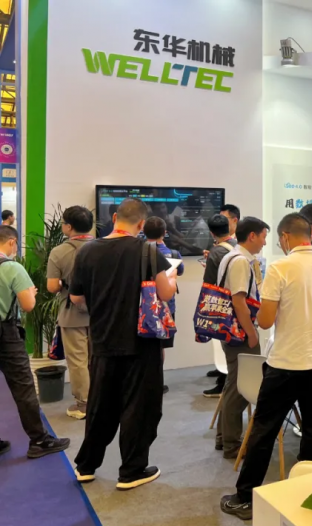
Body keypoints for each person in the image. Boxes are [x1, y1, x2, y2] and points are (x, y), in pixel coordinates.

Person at [220, 213, 312, 521]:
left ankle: (245, 497)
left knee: (264, 429)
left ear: (286, 237)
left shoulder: (280, 267)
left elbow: (265, 321)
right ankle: (309, 491)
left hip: (287, 362)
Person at [70, 198, 178, 491]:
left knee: (100, 406)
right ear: (141, 224)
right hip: (142, 342)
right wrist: (171, 275)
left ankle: (86, 466)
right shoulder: (148, 251)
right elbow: (165, 294)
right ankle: (132, 470)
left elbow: (76, 297)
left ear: (115, 217)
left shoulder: (87, 251)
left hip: (102, 340)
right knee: (139, 408)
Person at [0, 225, 71, 459]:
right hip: (5, 335)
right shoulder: (12, 267)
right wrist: (30, 292)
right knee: (23, 387)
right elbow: (28, 305)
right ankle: (39, 440)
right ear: (11, 242)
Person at [215, 216, 269, 458]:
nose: (265, 243)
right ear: (252, 236)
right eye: (263, 237)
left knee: (233, 385)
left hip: (232, 331)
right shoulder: (240, 262)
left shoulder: (233, 257)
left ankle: (224, 438)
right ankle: (232, 444)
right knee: (240, 389)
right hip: (240, 333)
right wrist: (251, 332)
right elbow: (239, 301)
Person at [46, 206, 94, 419]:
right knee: (99, 358)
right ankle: (103, 399)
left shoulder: (59, 252)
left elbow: (52, 287)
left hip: (72, 314)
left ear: (68, 227)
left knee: (78, 361)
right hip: (103, 313)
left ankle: (84, 405)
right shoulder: (103, 247)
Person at [144, 216, 184, 394]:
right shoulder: (174, 254)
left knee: (143, 345)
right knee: (159, 347)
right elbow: (179, 272)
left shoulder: (138, 252)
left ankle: (142, 382)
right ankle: (157, 381)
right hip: (166, 308)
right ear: (165, 233)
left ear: (143, 231)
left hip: (143, 307)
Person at [202, 214, 237, 398]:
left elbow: (208, 284)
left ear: (211, 233)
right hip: (239, 302)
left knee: (223, 343)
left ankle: (223, 384)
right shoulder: (238, 247)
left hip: (222, 305)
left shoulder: (216, 253)